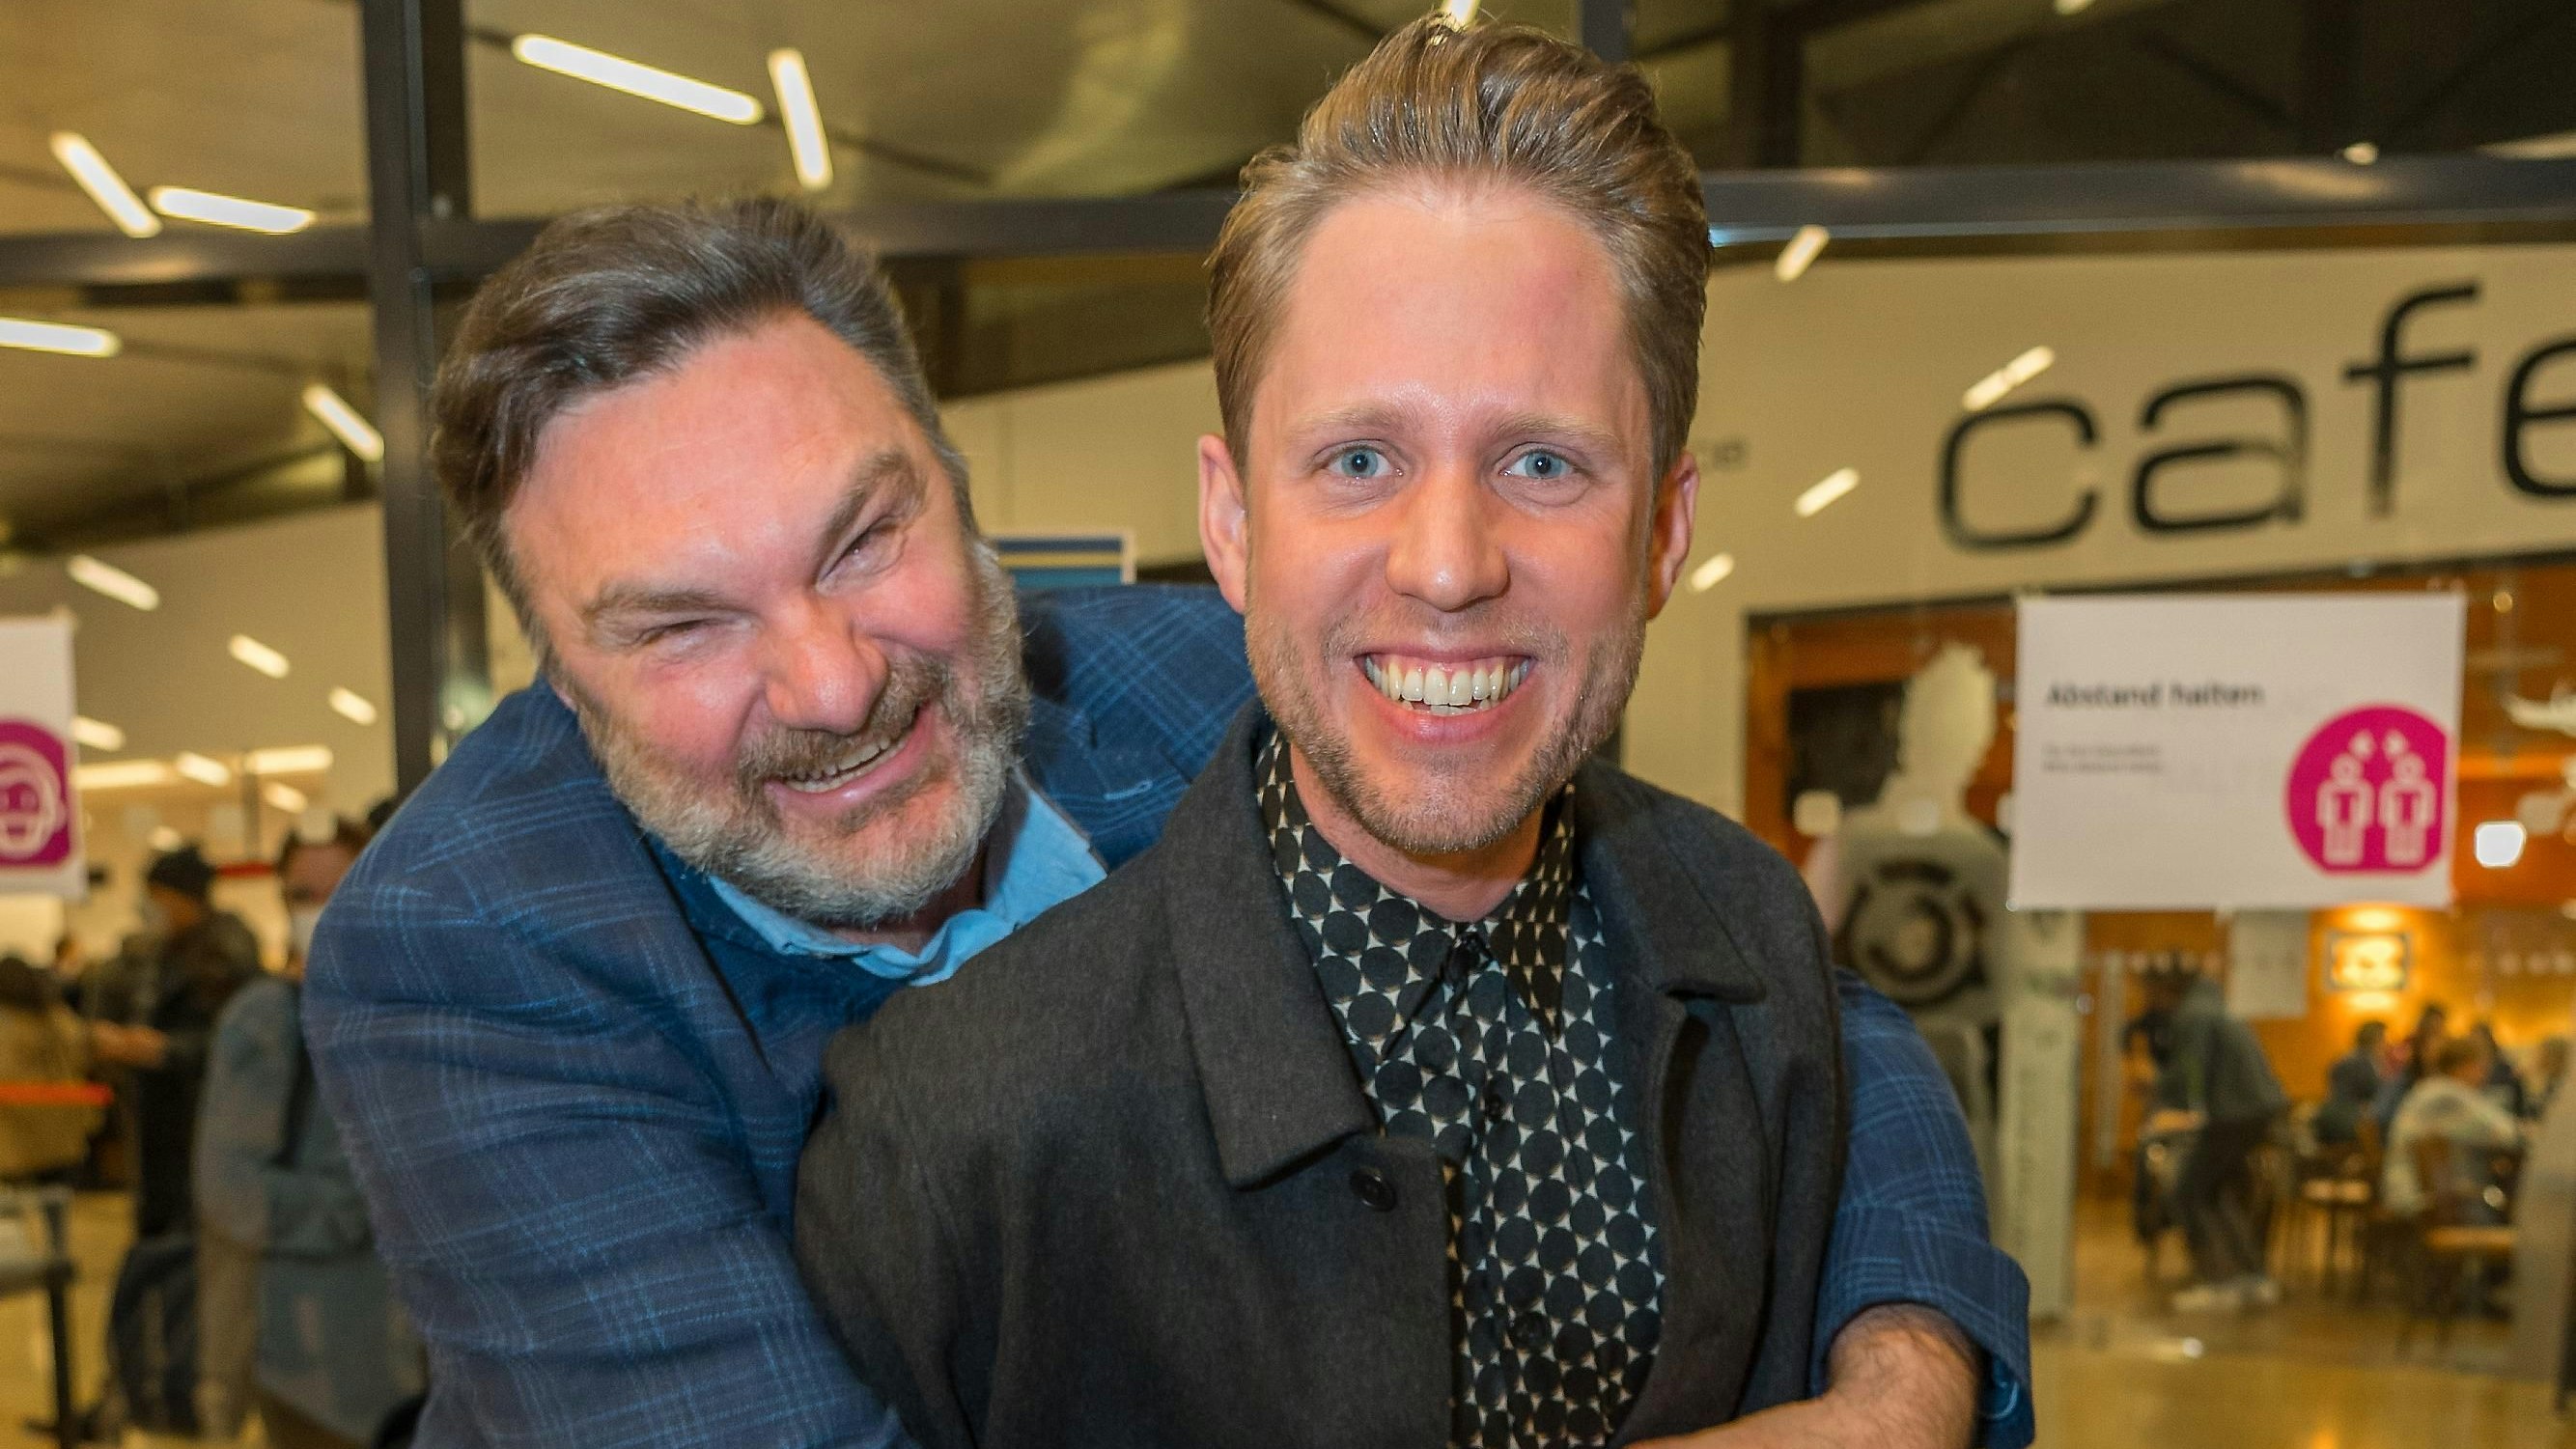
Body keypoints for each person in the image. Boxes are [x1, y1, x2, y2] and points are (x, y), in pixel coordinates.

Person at [308, 191, 2028, 1449]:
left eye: (864, 542)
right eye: (684, 624)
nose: (832, 683)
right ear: (558, 680)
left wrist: (1903, 1381)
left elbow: (1746, 959)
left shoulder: (1206, 676)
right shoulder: (468, 950)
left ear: (959, 494)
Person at [794, 19, 2006, 1449]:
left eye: (1541, 461)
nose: (1446, 564)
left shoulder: (1754, 945)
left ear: (1662, 536)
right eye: (1359, 459)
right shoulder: (949, 1144)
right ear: (1232, 521)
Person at [196, 820, 417, 1448]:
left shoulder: (397, 1006)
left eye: (336, 889)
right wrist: (351, 1206)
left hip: (411, 1354)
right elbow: (229, 1188)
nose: (318, 911)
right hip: (310, 1357)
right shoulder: (265, 1019)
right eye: (301, 895)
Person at [91, 846, 261, 1240]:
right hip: (162, 1125)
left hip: (204, 1122)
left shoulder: (225, 951)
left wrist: (165, 1050)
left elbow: (241, 1041)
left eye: (158, 896)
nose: (150, 907)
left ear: (185, 898)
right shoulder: (160, 951)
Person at [2143, 963, 2287, 1313]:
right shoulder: (2218, 1006)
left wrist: (2160, 1092)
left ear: (2166, 989)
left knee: (2187, 1193)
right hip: (2255, 1112)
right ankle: (2250, 1277)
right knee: (2215, 1194)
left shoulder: (2194, 1014)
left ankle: (2218, 1281)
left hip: (2233, 1114)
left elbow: (2191, 1070)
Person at [2383, 1037, 2527, 1221]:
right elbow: (2507, 1134)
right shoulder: (2446, 1095)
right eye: (2481, 1066)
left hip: (2428, 1198)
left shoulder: (2429, 1089)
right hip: (2431, 1204)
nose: (2485, 1074)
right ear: (2465, 1065)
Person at [0, 952, 95, 1184]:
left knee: (18, 1192)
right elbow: (82, 1052)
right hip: (62, 1116)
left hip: (16, 1121)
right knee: (57, 1188)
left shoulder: (7, 1021)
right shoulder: (57, 1014)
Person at [2373, 1002, 2449, 1135]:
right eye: (2433, 1036)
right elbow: (2381, 1118)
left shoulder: (2447, 1082)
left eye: (2441, 1036)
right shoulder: (2402, 1082)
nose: (2438, 1045)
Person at [2313, 1019, 2388, 1148]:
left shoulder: (2344, 1059)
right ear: (2376, 1040)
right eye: (2385, 1040)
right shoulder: (2362, 1063)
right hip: (2348, 1123)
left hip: (2328, 1118)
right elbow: (2375, 1093)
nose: (2387, 1045)